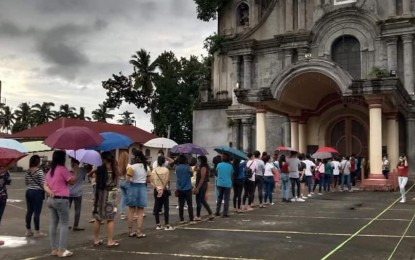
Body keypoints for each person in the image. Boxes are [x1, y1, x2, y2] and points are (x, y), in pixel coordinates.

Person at [43, 150, 76, 257]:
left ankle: (54, 249)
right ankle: (62, 250)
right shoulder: (62, 169)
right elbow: (72, 181)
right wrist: (75, 170)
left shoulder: (50, 171)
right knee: (64, 224)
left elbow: (45, 185)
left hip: (51, 199)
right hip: (61, 199)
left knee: (53, 223)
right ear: (62, 158)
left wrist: (50, 192)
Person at [93, 152, 119, 247]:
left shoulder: (99, 169)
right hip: (112, 194)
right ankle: (110, 241)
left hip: (100, 194)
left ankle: (96, 239)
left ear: (103, 159)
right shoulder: (115, 169)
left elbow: (96, 181)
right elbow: (116, 182)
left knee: (98, 218)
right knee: (110, 218)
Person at [126, 151, 149, 238]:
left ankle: (130, 231)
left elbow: (127, 179)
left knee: (131, 210)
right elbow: (149, 180)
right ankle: (139, 231)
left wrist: (132, 179)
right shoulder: (146, 167)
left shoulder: (131, 167)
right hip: (142, 188)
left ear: (135, 158)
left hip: (133, 187)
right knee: (140, 211)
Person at [150, 156, 174, 230]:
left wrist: (156, 187)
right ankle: (166, 224)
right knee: (166, 207)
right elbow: (167, 180)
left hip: (156, 189)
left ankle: (158, 224)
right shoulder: (166, 170)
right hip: (164, 190)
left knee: (157, 206)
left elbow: (151, 181)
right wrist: (163, 187)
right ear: (164, 162)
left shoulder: (153, 170)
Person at [25, 155, 47, 238]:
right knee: (37, 212)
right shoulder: (40, 171)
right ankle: (37, 231)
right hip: (37, 192)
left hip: (29, 191)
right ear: (37, 162)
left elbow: (26, 182)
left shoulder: (27, 171)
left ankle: (28, 230)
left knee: (29, 211)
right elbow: (42, 183)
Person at [176, 154, 195, 224]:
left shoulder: (177, 168)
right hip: (187, 187)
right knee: (189, 204)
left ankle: (181, 219)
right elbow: (192, 175)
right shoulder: (188, 167)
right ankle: (191, 219)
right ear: (185, 160)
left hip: (180, 188)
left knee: (181, 204)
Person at [194, 155, 214, 221]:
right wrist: (196, 167)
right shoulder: (201, 167)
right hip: (200, 185)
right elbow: (195, 170)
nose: (198, 161)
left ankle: (198, 215)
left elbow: (202, 179)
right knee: (202, 200)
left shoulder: (203, 167)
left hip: (201, 185)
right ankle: (210, 213)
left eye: (199, 160)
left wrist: (197, 188)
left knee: (199, 200)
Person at [68, 158, 86, 231]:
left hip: (68, 192)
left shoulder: (68, 171)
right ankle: (75, 225)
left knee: (67, 209)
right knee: (77, 209)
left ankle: (65, 224)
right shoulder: (82, 170)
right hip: (78, 192)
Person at [215, 153, 234, 217]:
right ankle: (225, 213)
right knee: (226, 199)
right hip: (227, 184)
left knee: (219, 198)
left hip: (220, 183)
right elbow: (231, 175)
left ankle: (217, 211)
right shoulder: (230, 166)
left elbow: (217, 172)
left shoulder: (219, 164)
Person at [118, 150, 130, 220]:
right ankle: (133, 213)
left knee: (123, 197)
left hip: (120, 181)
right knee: (131, 198)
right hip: (126, 181)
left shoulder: (119, 165)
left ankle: (122, 213)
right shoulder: (128, 165)